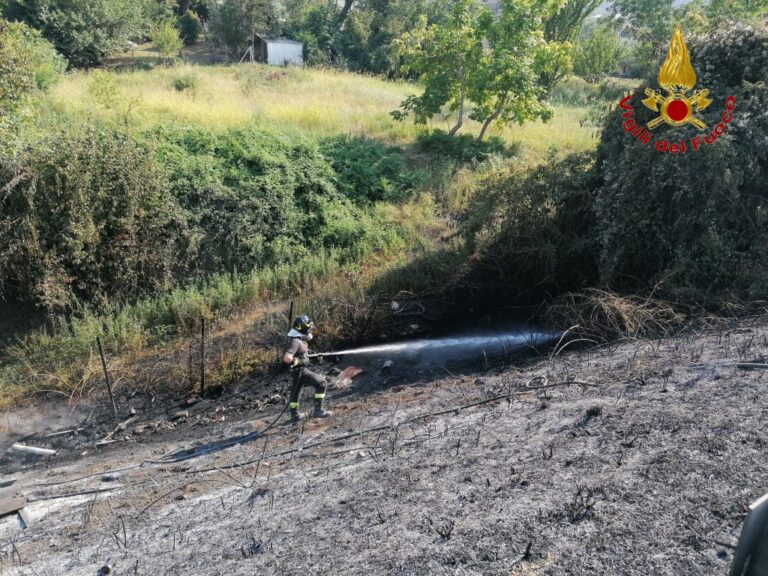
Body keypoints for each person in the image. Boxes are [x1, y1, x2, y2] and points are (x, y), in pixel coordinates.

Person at [283, 315, 332, 422]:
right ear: (303, 328)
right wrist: (300, 362)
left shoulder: (299, 339)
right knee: (322, 383)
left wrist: (313, 355)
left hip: (297, 372)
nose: (310, 330)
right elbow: (287, 358)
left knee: (295, 393)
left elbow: (301, 353)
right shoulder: (295, 341)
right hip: (301, 371)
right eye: (309, 328)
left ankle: (295, 415)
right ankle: (318, 411)